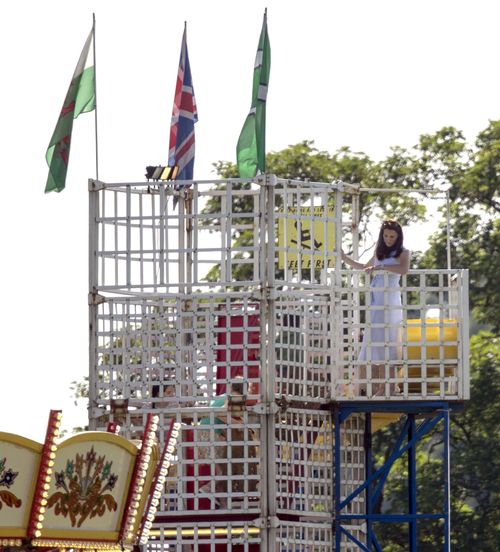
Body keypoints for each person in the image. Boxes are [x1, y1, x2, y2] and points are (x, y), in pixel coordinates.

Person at [341, 220, 410, 396]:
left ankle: (390, 386)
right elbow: (365, 267)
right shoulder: (378, 252)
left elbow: (404, 269)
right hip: (376, 301)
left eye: (392, 236)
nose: (388, 239)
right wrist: (344, 258)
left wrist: (381, 267)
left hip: (390, 301)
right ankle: (383, 386)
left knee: (390, 340)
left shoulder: (403, 252)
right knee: (376, 341)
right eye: (386, 235)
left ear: (398, 237)